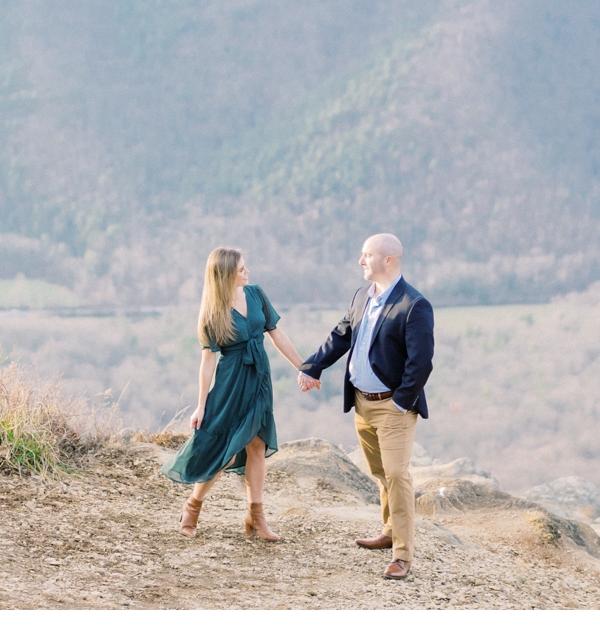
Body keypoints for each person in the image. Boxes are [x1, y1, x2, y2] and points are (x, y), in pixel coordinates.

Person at [298, 233, 434, 580]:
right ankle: (390, 531)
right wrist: (313, 365)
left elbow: (420, 363)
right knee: (379, 472)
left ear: (389, 260)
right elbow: (342, 334)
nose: (361, 261)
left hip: (393, 408)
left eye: (367, 255)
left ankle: (403, 555)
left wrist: (401, 403)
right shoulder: (362, 295)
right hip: (361, 403)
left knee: (397, 476)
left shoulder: (414, 305)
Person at [163, 247, 306, 541]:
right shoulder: (212, 313)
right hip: (231, 385)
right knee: (224, 451)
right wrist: (200, 405)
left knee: (257, 446)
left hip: (259, 379)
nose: (247, 272)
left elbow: (276, 333)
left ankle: (256, 518)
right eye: (241, 269)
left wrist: (303, 367)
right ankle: (192, 508)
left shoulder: (255, 294)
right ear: (226, 275)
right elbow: (207, 361)